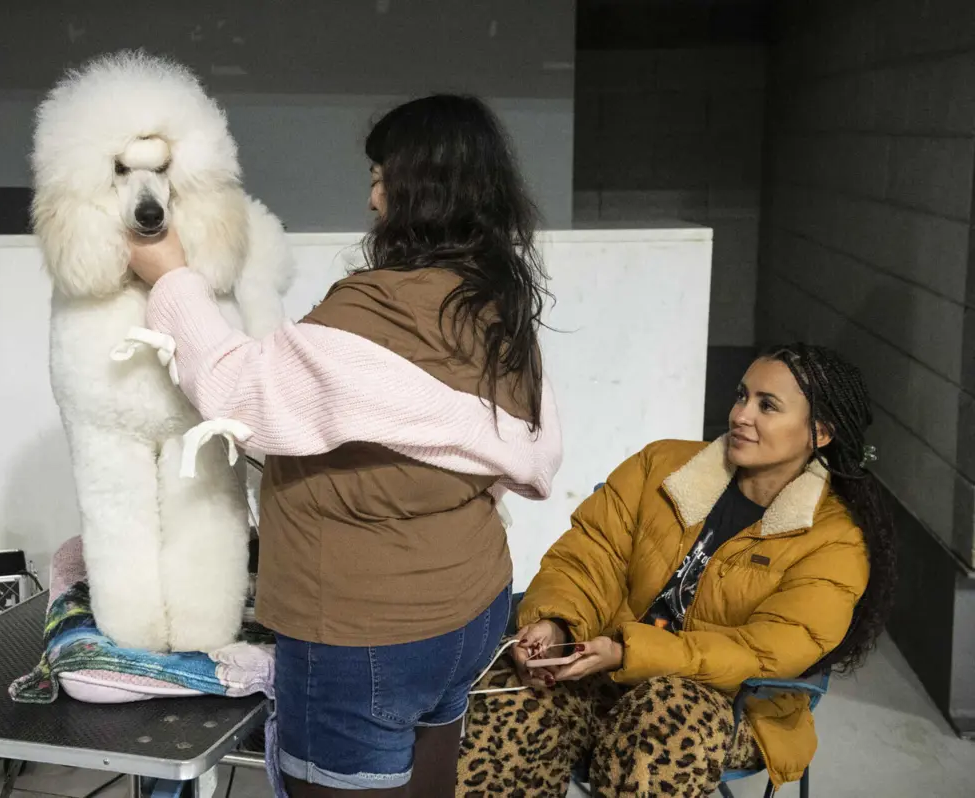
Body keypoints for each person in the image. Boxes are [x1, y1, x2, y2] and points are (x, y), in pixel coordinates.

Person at [128, 94, 562, 797]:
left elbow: (241, 395)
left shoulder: (372, 310)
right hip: (473, 608)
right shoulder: (496, 301)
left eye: (383, 180)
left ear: (421, 191)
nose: (372, 201)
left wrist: (170, 278)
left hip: (364, 636)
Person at [457, 344, 896, 797]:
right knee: (517, 690)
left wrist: (629, 651)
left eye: (768, 406)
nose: (742, 415)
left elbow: (765, 652)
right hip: (605, 666)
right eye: (742, 396)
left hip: (730, 706)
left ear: (819, 433)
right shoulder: (663, 465)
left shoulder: (835, 540)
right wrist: (557, 623)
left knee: (666, 713)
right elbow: (591, 556)